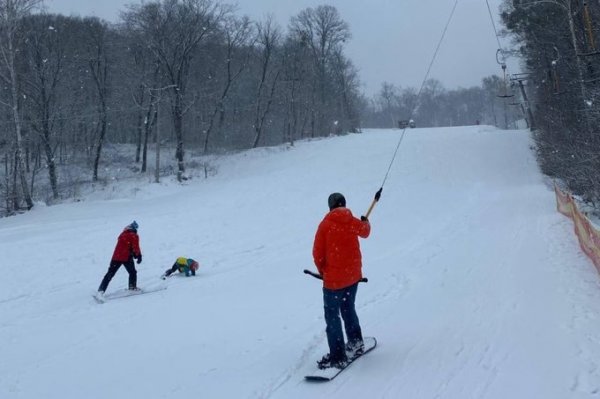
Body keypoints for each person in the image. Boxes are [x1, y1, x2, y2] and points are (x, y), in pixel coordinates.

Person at [312, 192, 371, 369]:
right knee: (348, 308)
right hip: (352, 277)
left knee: (332, 316)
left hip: (334, 281)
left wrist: (324, 271)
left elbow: (317, 253)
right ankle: (355, 342)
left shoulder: (325, 225)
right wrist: (365, 222)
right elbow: (365, 232)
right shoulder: (352, 221)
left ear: (330, 206)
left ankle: (338, 356)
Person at [96, 221, 142, 297]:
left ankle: (101, 290)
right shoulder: (133, 235)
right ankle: (132, 288)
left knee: (110, 274)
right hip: (126, 257)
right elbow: (135, 247)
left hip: (116, 257)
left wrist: (134, 253)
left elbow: (126, 245)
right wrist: (138, 256)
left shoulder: (123, 234)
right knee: (132, 272)